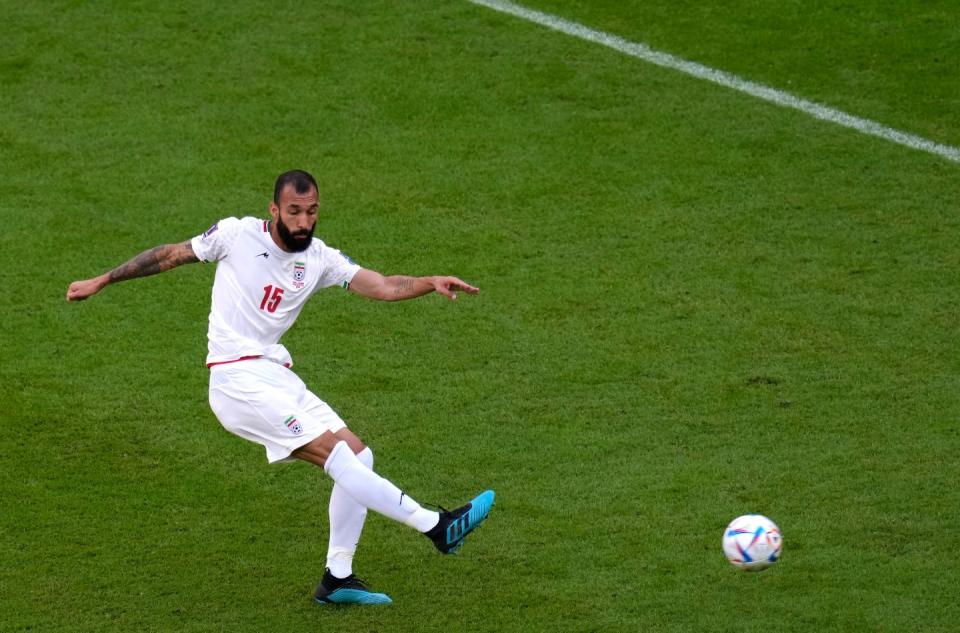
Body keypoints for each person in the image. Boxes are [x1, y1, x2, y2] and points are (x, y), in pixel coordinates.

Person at [66, 169, 494, 606]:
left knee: (360, 454)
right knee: (338, 457)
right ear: (274, 210)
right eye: (294, 212)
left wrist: (429, 282)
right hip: (235, 380)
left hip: (274, 375)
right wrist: (104, 279)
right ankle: (436, 526)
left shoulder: (320, 258)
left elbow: (381, 285)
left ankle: (337, 579)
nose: (304, 222)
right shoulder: (236, 236)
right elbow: (171, 255)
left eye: (311, 212)